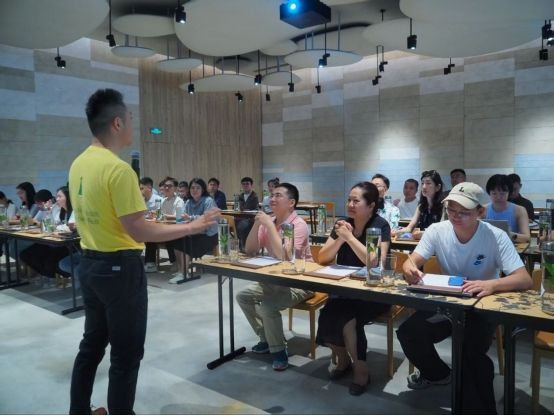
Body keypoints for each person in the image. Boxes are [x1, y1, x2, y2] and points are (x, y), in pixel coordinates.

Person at [68, 88, 219, 415]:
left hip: (89, 264)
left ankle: (78, 410)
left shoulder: (78, 163)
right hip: (119, 270)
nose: (133, 125)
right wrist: (193, 227)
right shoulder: (119, 169)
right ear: (117, 123)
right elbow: (139, 230)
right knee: (126, 354)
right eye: (130, 118)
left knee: (91, 344)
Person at [397, 182, 532, 414]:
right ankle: (439, 375)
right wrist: (409, 268)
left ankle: (479, 410)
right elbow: (412, 261)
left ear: (481, 212)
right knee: (409, 333)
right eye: (451, 210)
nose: (456, 217)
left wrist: (491, 284)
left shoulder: (495, 236)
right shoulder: (437, 230)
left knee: (469, 353)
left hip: (480, 306)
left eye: (464, 212)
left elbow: (524, 279)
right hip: (448, 302)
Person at [316, 182, 391, 396]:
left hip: (373, 292)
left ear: (371, 205)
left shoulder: (380, 225)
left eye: (356, 201)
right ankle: (343, 361)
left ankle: (361, 370)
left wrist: (349, 238)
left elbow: (373, 262)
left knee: (349, 320)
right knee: (327, 315)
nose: (350, 204)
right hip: (345, 290)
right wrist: (340, 238)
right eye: (349, 200)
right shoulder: (343, 225)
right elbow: (322, 257)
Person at [236, 182, 313, 371]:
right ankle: (266, 337)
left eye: (278, 195)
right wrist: (257, 224)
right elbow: (250, 249)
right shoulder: (269, 221)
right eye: (272, 195)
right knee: (243, 296)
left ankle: (278, 350)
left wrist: (269, 225)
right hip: (274, 280)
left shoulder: (298, 224)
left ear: (291, 203)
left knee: (267, 307)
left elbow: (285, 257)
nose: (272, 198)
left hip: (300, 281)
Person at [168, 177, 218, 283]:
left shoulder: (208, 201)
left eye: (198, 188)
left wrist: (190, 218)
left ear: (203, 189)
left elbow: (206, 219)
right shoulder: (188, 202)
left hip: (208, 235)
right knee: (176, 240)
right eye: (192, 188)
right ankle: (181, 270)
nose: (194, 190)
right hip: (193, 233)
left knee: (186, 243)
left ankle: (184, 273)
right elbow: (183, 218)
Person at [20, 186, 75, 279]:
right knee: (25, 254)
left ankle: (52, 276)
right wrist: (48, 212)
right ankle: (48, 275)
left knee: (49, 262)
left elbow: (67, 227)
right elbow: (50, 226)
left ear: (68, 197)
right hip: (55, 241)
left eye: (59, 196)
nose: (56, 199)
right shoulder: (60, 211)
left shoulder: (72, 210)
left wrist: (54, 225)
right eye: (56, 197)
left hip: (67, 245)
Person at [398, 170, 444, 240]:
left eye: (428, 183)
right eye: (422, 183)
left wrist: (424, 233)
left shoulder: (444, 205)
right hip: (423, 243)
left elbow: (443, 230)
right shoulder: (421, 206)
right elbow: (409, 228)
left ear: (438, 187)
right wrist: (397, 232)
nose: (424, 186)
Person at [484, 174, 530, 243]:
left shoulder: (519, 210)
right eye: (494, 193)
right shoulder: (483, 209)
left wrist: (508, 234)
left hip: (511, 246)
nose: (498, 197)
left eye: (502, 193)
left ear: (509, 193)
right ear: (489, 193)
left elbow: (527, 238)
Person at [140, 177, 163, 273]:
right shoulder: (140, 200)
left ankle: (150, 264)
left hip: (158, 228)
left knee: (150, 235)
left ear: (149, 188)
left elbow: (159, 216)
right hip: (144, 227)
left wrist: (152, 216)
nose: (139, 191)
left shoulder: (158, 200)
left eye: (141, 188)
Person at [235, 177, 259, 250]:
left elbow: (255, 209)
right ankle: (241, 244)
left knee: (243, 225)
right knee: (234, 222)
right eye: (243, 184)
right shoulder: (240, 196)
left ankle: (244, 245)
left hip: (250, 218)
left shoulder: (254, 196)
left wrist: (245, 209)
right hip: (240, 217)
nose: (245, 185)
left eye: (247, 184)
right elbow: (236, 207)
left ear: (251, 185)